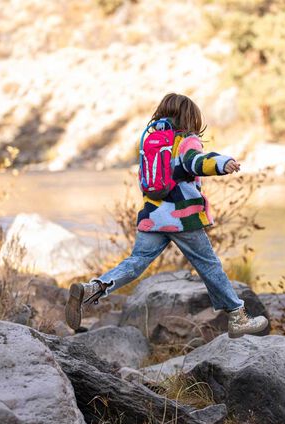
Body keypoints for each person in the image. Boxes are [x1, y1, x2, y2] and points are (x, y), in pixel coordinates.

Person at [65, 93, 268, 338]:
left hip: (153, 216)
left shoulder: (151, 141)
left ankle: (93, 289)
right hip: (182, 219)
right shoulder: (185, 141)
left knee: (136, 262)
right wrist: (221, 163)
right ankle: (237, 316)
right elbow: (196, 161)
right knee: (209, 266)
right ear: (190, 117)